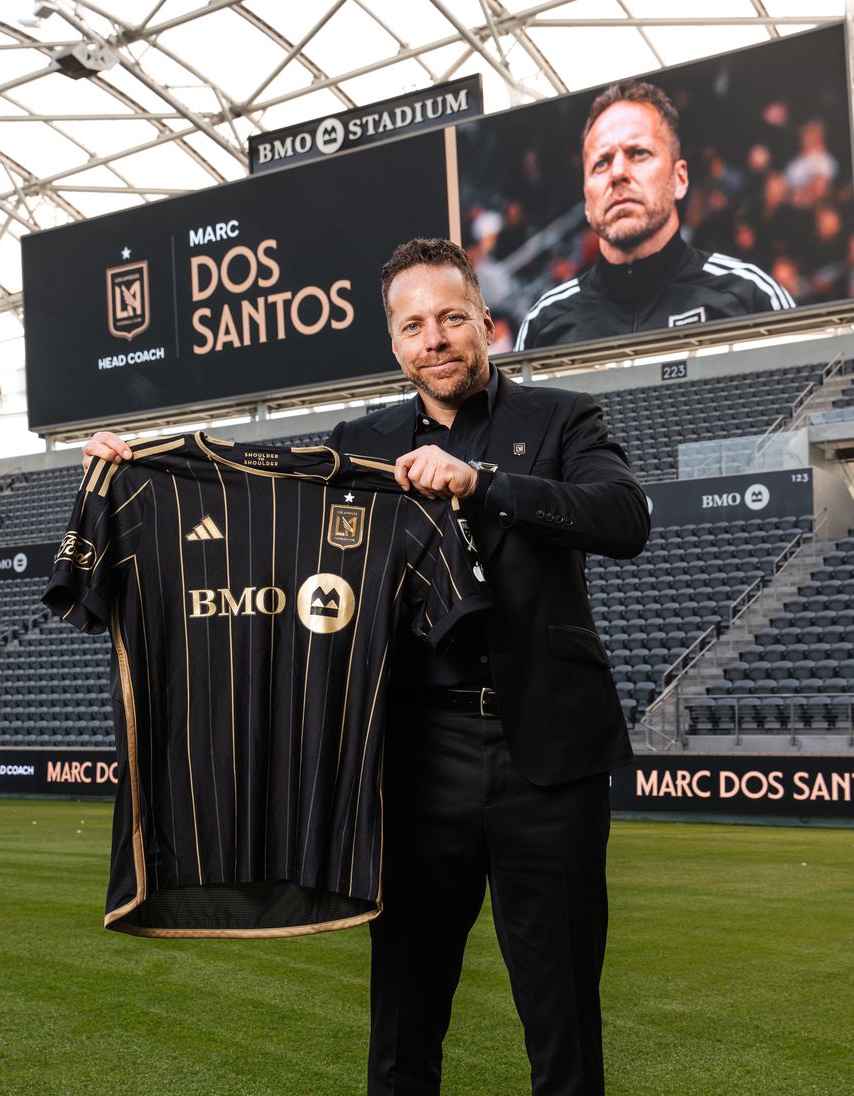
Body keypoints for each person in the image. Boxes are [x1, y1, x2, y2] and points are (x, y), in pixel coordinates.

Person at [83, 237, 650, 1095]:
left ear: (485, 324)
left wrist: (481, 480)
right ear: (395, 344)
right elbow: (259, 521)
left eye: (452, 318)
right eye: (414, 325)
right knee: (404, 1019)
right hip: (414, 763)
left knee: (564, 1013)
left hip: (550, 761)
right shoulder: (361, 441)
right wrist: (145, 467)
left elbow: (623, 518)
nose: (436, 339)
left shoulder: (563, 419)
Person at [515, 81, 796, 351]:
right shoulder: (544, 325)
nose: (617, 173)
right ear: (587, 201)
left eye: (638, 153)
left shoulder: (751, 297)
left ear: (680, 179)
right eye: (601, 163)